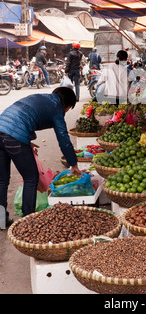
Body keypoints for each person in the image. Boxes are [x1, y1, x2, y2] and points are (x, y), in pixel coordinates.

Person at [0, 87, 81, 225]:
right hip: (14, 136)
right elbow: (64, 139)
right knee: (31, 178)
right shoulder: (57, 109)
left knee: (1, 181)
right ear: (67, 105)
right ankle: (29, 222)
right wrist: (73, 163)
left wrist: (27, 141)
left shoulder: (42, 98)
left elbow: (22, 117)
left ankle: (1, 220)